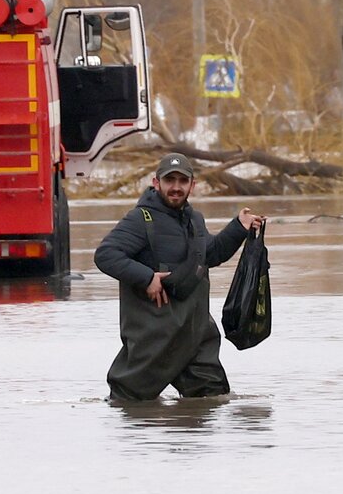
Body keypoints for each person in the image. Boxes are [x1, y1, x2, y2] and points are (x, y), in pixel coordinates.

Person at [94, 152, 265, 400]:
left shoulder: (195, 220)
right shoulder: (140, 219)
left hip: (195, 336)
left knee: (212, 401)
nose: (176, 187)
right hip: (154, 340)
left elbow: (211, 255)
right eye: (169, 180)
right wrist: (146, 277)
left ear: (192, 186)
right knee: (129, 405)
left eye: (182, 181)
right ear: (156, 183)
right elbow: (105, 255)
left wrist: (239, 227)